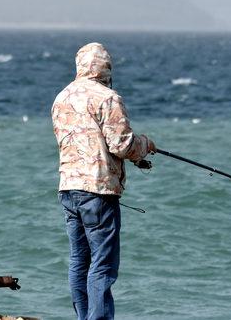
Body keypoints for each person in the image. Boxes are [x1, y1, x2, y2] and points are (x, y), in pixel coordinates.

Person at [51, 42, 156, 320]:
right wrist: (145, 145)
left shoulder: (61, 98)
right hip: (98, 190)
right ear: (106, 68)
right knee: (102, 264)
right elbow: (122, 145)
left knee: (79, 261)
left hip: (68, 188)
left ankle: (84, 316)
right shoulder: (108, 98)